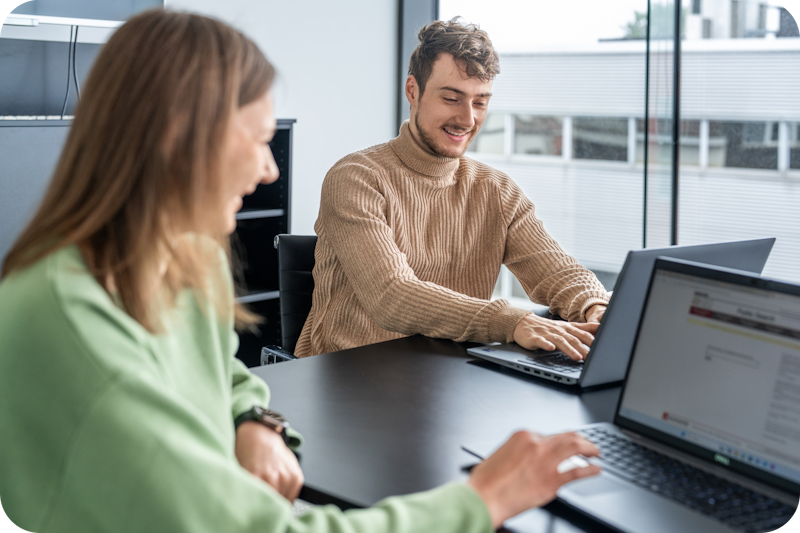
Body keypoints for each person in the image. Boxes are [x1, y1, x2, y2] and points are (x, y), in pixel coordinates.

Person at [0, 9, 601, 533]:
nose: (268, 170)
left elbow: (220, 372)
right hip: (349, 399)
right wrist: (482, 500)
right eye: (257, 139)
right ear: (179, 139)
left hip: (434, 392)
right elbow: (392, 296)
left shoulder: (188, 255)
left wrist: (252, 418)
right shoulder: (73, 322)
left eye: (481, 102)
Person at [295, 18, 611, 359]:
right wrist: (511, 321)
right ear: (413, 91)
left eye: (480, 102)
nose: (468, 119)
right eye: (451, 98)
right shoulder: (356, 177)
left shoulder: (496, 191)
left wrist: (594, 306)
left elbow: (555, 269)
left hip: (447, 377)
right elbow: (391, 295)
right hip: (346, 377)